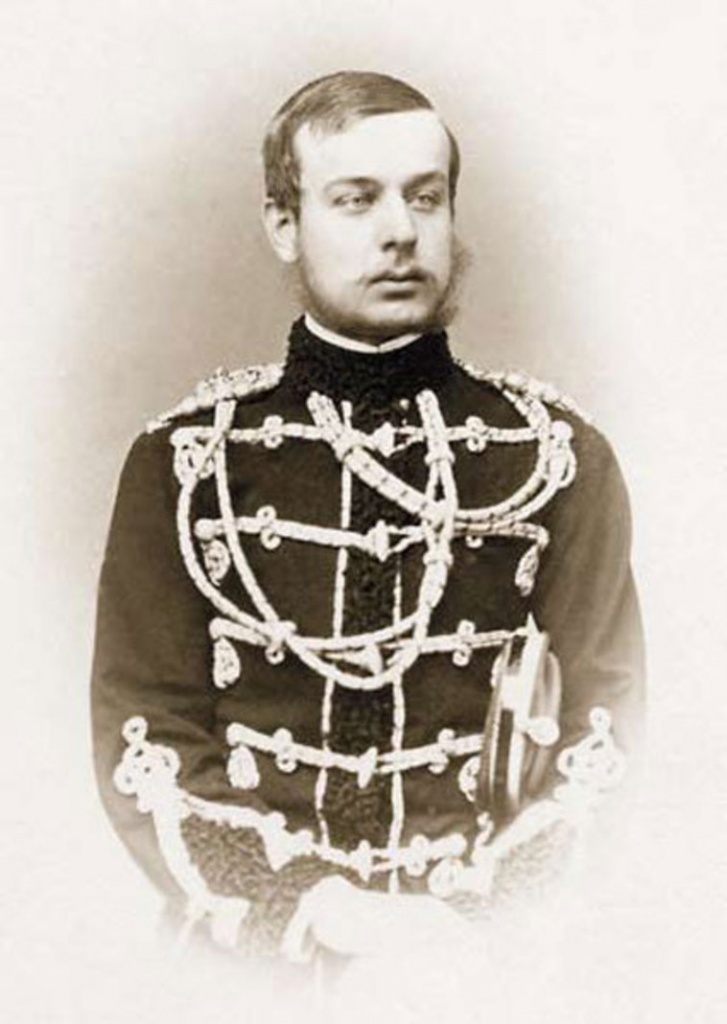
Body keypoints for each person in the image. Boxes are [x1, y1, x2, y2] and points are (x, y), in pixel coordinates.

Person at [92, 71, 644, 964]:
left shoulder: (555, 457)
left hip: (481, 969)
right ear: (284, 225)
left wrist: (474, 926)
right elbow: (147, 744)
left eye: (424, 197)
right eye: (355, 200)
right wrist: (309, 908)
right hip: (253, 965)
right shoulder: (186, 464)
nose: (400, 232)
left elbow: (606, 744)